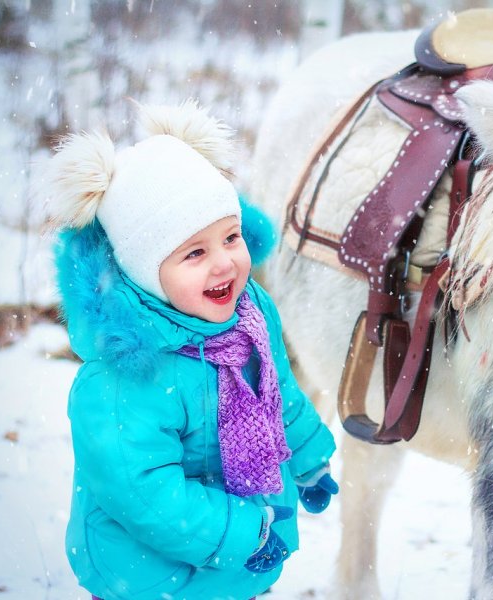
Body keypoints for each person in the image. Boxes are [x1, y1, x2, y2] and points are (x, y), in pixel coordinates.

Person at [46, 100, 338, 600]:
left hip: (233, 559)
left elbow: (274, 392)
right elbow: (142, 493)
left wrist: (308, 458)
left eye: (230, 237)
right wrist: (244, 534)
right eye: (195, 253)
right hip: (147, 575)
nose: (224, 263)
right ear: (144, 271)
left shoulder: (248, 313)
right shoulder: (123, 375)